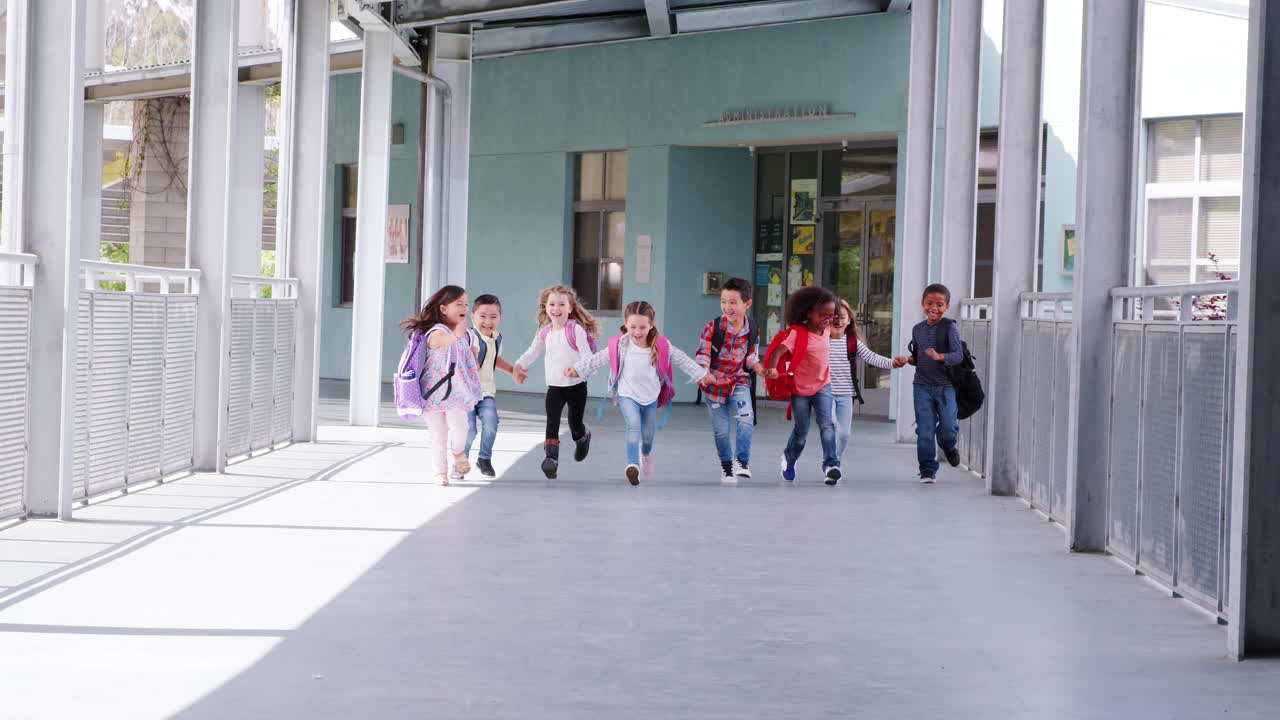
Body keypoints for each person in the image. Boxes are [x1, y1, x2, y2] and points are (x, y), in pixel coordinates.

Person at [568, 301, 713, 485]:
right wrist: (578, 369)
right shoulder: (620, 344)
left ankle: (646, 453)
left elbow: (682, 360)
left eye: (643, 327)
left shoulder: (661, 345)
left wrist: (701, 375)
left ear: (651, 325)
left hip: (650, 397)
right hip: (627, 394)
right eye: (633, 326)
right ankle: (632, 465)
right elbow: (598, 359)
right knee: (633, 425)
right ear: (626, 324)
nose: (637, 332)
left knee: (648, 435)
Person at [399, 285, 484, 486]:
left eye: (466, 303)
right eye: (459, 304)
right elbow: (441, 342)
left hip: (457, 392)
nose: (464, 307)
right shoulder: (437, 332)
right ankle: (440, 472)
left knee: (461, 426)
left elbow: (471, 362)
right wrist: (456, 335)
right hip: (433, 393)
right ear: (444, 309)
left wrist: (473, 356)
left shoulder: (468, 334)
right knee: (438, 436)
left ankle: (458, 452)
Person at [513, 285, 600, 479]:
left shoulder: (575, 330)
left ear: (570, 308)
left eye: (561, 304)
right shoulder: (545, 332)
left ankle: (582, 437)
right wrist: (518, 365)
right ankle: (551, 459)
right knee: (551, 422)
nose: (556, 308)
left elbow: (588, 357)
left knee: (574, 423)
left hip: (577, 386)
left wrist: (578, 371)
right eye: (552, 304)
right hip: (554, 387)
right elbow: (532, 351)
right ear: (546, 308)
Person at [764, 286, 842, 486]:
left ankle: (831, 465)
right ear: (807, 312)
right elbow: (777, 352)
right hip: (800, 389)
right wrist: (772, 368)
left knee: (827, 424)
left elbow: (843, 329)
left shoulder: (827, 331)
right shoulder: (798, 334)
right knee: (801, 430)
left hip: (823, 384)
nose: (827, 319)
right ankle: (789, 459)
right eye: (822, 314)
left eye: (830, 315)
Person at [695, 278, 768, 483]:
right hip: (714, 385)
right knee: (722, 432)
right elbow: (702, 355)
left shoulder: (752, 328)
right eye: (723, 301)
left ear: (747, 304)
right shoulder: (713, 328)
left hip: (739, 381)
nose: (727, 307)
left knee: (746, 418)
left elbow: (751, 356)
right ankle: (726, 467)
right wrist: (704, 373)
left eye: (733, 302)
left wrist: (760, 369)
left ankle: (742, 461)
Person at [893, 283, 964, 484]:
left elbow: (958, 355)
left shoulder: (950, 327)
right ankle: (927, 469)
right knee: (925, 430)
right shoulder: (917, 329)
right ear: (923, 303)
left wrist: (940, 356)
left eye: (939, 304)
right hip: (922, 386)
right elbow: (918, 357)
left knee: (949, 427)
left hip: (946, 386)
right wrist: (908, 359)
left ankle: (948, 446)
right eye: (929, 303)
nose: (934, 308)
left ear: (947, 307)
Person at [829, 298, 905, 464]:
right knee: (832, 426)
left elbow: (872, 358)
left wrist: (893, 363)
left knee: (844, 433)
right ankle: (830, 461)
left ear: (849, 320)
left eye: (842, 317)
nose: (837, 320)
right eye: (833, 316)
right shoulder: (820, 341)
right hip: (825, 394)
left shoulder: (852, 343)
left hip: (846, 395)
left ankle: (835, 460)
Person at [453, 294, 519, 480]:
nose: (488, 321)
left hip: (486, 392)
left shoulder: (497, 338)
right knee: (469, 430)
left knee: (491, 422)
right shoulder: (469, 337)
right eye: (482, 316)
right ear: (473, 317)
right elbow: (464, 362)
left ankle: (484, 458)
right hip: (465, 394)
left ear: (500, 318)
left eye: (493, 317)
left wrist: (512, 370)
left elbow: (495, 358)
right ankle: (459, 464)